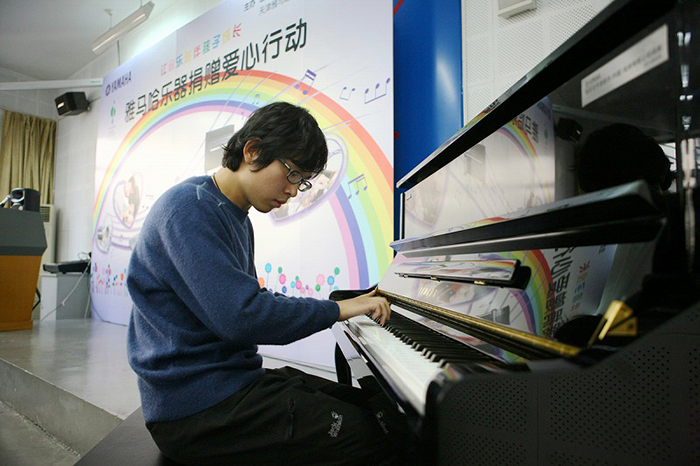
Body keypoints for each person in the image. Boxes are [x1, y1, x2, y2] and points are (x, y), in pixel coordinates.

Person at [127, 101, 405, 465]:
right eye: (292, 174)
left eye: (302, 181)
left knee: (377, 409)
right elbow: (243, 316)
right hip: (196, 411)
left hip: (231, 384)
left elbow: (249, 300)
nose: (294, 191)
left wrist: (337, 308)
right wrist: (337, 310)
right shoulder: (188, 209)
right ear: (253, 151)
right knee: (374, 438)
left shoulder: (234, 215)